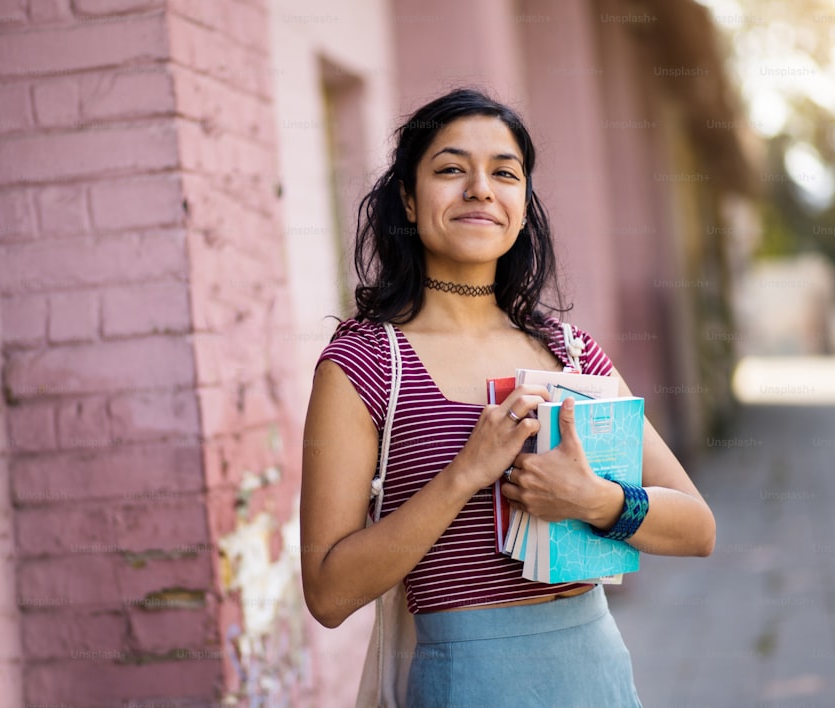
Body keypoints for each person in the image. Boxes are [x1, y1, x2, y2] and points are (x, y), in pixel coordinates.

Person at [300, 87, 716, 707]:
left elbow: (697, 527)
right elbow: (328, 594)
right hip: (465, 682)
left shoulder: (571, 354)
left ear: (523, 204)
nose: (480, 189)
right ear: (410, 202)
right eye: (450, 169)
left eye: (504, 172)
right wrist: (466, 472)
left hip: (596, 673)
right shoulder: (365, 365)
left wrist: (595, 499)